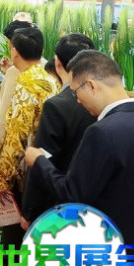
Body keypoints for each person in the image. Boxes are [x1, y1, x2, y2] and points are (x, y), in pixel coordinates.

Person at [24, 50, 134, 266]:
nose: (77, 101)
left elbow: (72, 194)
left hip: (87, 255)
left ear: (92, 85)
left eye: (76, 92)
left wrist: (40, 162)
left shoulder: (102, 131)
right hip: (126, 254)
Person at [0, 26, 58, 266]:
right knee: (22, 236)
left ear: (14, 51)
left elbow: (16, 137)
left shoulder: (25, 83)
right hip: (42, 169)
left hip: (23, 174)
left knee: (16, 235)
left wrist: (3, 180)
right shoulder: (48, 79)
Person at [18, 33, 96, 232]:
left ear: (58, 63)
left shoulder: (57, 105)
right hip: (91, 204)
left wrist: (29, 210)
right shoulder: (101, 100)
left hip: (56, 203)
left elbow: (44, 158)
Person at [0, 20, 33, 160]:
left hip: (9, 151)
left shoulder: (15, 72)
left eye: (8, 43)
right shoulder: (41, 68)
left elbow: (5, 114)